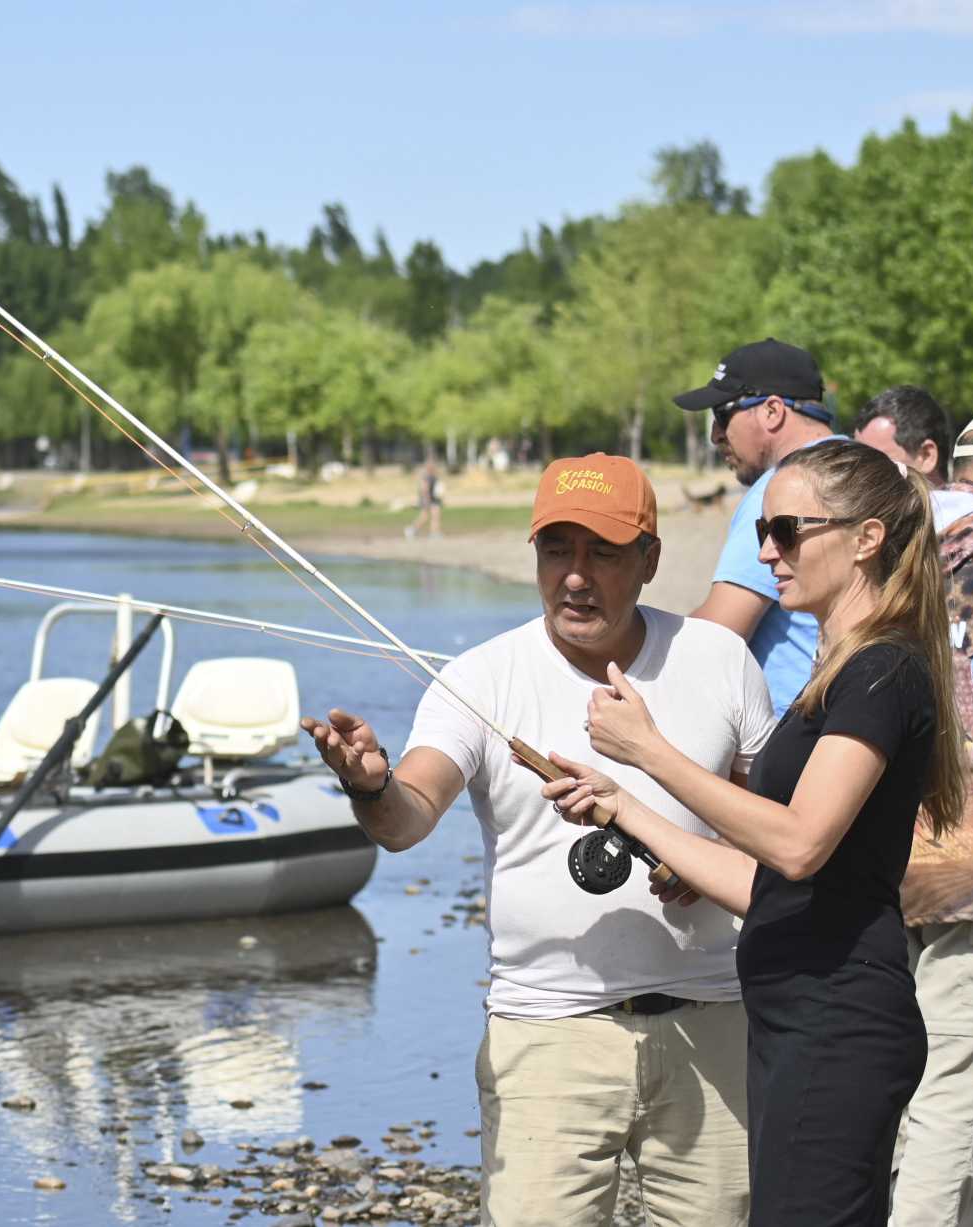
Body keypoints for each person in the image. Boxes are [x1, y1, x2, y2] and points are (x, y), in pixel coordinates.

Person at [305, 453, 774, 1226]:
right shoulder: (482, 676)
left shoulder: (720, 659)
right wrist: (368, 784)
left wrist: (705, 859)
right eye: (557, 549)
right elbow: (408, 815)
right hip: (546, 1031)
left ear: (650, 559)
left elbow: (772, 828)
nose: (575, 576)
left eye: (602, 551)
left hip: (717, 1019)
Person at [543, 440, 963, 1226]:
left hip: (839, 1020)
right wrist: (620, 802)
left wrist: (651, 752)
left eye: (786, 530)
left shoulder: (882, 671)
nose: (766, 549)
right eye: (764, 529)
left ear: (866, 538)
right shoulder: (836, 675)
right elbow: (769, 882)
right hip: (797, 1016)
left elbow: (799, 840)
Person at [891, 410, 973, 1227]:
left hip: (899, 845)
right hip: (970, 872)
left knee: (916, 1074)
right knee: (953, 1086)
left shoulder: (900, 548)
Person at [674, 338, 841, 715]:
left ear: (771, 411)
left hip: (796, 730)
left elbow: (717, 635)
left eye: (722, 414)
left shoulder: (781, 487)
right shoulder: (863, 471)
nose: (716, 434)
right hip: (857, 714)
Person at [852, 384, 973, 530]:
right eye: (857, 462)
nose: (860, 475)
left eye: (877, 461)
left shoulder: (968, 533)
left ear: (926, 456)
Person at [405, 456, 443, 538]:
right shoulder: (426, 476)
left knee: (435, 515)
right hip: (428, 499)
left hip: (434, 499)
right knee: (425, 516)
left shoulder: (433, 475)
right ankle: (411, 529)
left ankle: (434, 533)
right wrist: (427, 500)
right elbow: (424, 489)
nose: (435, 466)